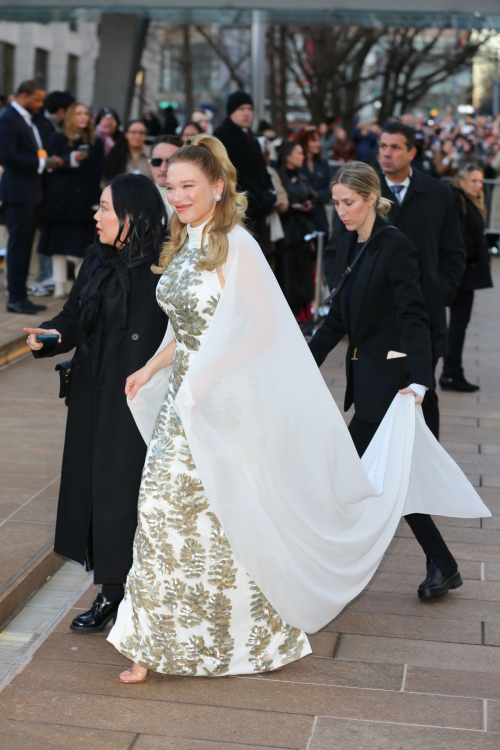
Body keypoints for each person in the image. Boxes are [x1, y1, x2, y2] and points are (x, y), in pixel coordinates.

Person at [106, 136, 489, 684]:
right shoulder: (184, 242)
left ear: (219, 187)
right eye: (172, 186)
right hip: (182, 405)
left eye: (190, 186)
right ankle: (152, 640)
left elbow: (263, 330)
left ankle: (240, 632)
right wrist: (152, 368)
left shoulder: (236, 244)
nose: (179, 195)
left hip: (221, 405)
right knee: (164, 516)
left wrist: (206, 377)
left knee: (219, 517)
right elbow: (187, 330)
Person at [309, 162, 464, 601]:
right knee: (394, 482)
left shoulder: (395, 246)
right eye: (336, 202)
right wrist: (305, 362)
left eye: (349, 202)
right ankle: (443, 564)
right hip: (371, 379)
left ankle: (329, 564)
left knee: (351, 477)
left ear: (372, 199)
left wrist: (420, 381)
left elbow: (416, 318)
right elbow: (338, 316)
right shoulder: (348, 244)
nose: (341, 210)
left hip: (395, 385)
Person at [24, 174, 169, 633]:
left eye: (105, 208)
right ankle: (110, 590)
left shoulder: (167, 266)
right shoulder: (96, 259)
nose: (96, 216)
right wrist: (49, 338)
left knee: (124, 493)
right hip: (92, 390)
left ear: (132, 215)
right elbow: (72, 319)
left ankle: (132, 592)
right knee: (95, 489)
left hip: (137, 398)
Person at [324, 122, 466, 440]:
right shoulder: (354, 191)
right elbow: (336, 252)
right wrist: (342, 289)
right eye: (382, 146)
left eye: (395, 147)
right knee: (380, 403)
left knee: (419, 395)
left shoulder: (438, 193)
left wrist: (441, 291)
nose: (386, 153)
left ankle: (423, 467)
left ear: (411, 152)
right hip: (374, 321)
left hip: (420, 315)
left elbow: (454, 252)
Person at [0, 79, 64, 315]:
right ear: (24, 96)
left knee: (25, 247)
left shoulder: (26, 119)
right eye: (37, 99)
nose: (40, 104)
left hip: (30, 192)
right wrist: (42, 163)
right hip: (18, 194)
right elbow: (7, 156)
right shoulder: (8, 118)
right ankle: (15, 298)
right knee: (18, 247)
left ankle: (21, 296)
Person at [37, 103, 105, 298]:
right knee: (58, 246)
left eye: (86, 114)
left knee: (82, 246)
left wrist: (96, 200)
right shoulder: (57, 138)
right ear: (69, 117)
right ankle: (59, 285)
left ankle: (79, 286)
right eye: (78, 114)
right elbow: (50, 167)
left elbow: (97, 173)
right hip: (61, 202)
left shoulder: (96, 142)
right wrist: (70, 159)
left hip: (84, 201)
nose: (83, 117)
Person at [440, 165, 493, 392]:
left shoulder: (466, 201)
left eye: (480, 181)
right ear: (461, 180)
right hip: (461, 273)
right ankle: (451, 372)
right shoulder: (458, 200)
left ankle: (452, 371)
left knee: (459, 324)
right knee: (458, 325)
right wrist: (471, 252)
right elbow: (456, 236)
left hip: (465, 272)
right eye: (473, 180)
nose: (478, 185)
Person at [214, 90, 276, 250]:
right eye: (241, 109)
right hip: (240, 208)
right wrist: (261, 196)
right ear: (232, 111)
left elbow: (262, 167)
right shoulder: (222, 134)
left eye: (249, 108)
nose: (247, 113)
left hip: (258, 206)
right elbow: (232, 172)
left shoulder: (250, 135)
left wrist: (270, 191)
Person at [276, 140, 316, 323]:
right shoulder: (278, 176)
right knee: (287, 270)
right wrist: (293, 207)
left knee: (303, 271)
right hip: (285, 232)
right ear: (288, 156)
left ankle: (303, 308)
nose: (302, 157)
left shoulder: (303, 178)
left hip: (303, 231)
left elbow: (312, 196)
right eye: (298, 153)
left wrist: (308, 205)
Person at [294, 126, 331, 235]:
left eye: (318, 140)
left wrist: (317, 195)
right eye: (313, 140)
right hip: (300, 216)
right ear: (304, 142)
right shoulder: (296, 164)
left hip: (319, 214)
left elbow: (330, 188)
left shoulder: (323, 164)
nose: (317, 144)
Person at [148, 134, 182, 217]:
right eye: (157, 161)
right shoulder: (138, 199)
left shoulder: (194, 199)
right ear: (150, 164)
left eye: (170, 162)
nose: (163, 169)